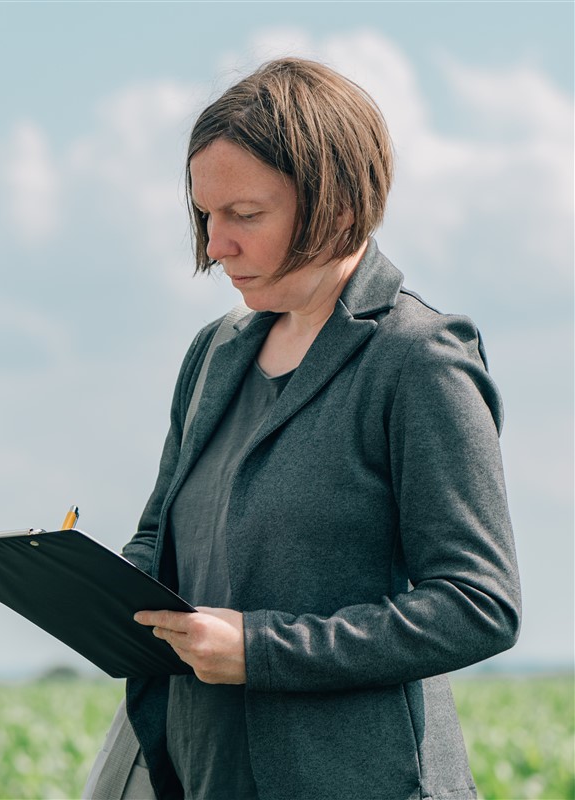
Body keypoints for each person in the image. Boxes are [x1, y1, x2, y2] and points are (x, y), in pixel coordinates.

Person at [119, 58, 521, 800]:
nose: (215, 245)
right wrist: (89, 587)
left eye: (245, 215)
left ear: (335, 206)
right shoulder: (213, 354)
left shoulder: (419, 360)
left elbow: (478, 606)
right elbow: (158, 543)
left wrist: (261, 650)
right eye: (207, 215)